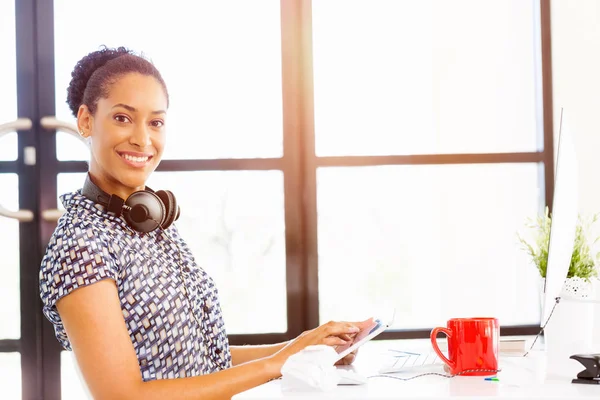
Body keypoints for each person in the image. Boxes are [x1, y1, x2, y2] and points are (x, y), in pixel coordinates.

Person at [39, 46, 371, 400]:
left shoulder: (152, 223)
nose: (143, 139)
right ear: (86, 120)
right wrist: (280, 362)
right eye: (123, 118)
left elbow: (202, 363)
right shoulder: (81, 246)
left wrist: (306, 349)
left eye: (156, 122)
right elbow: (124, 395)